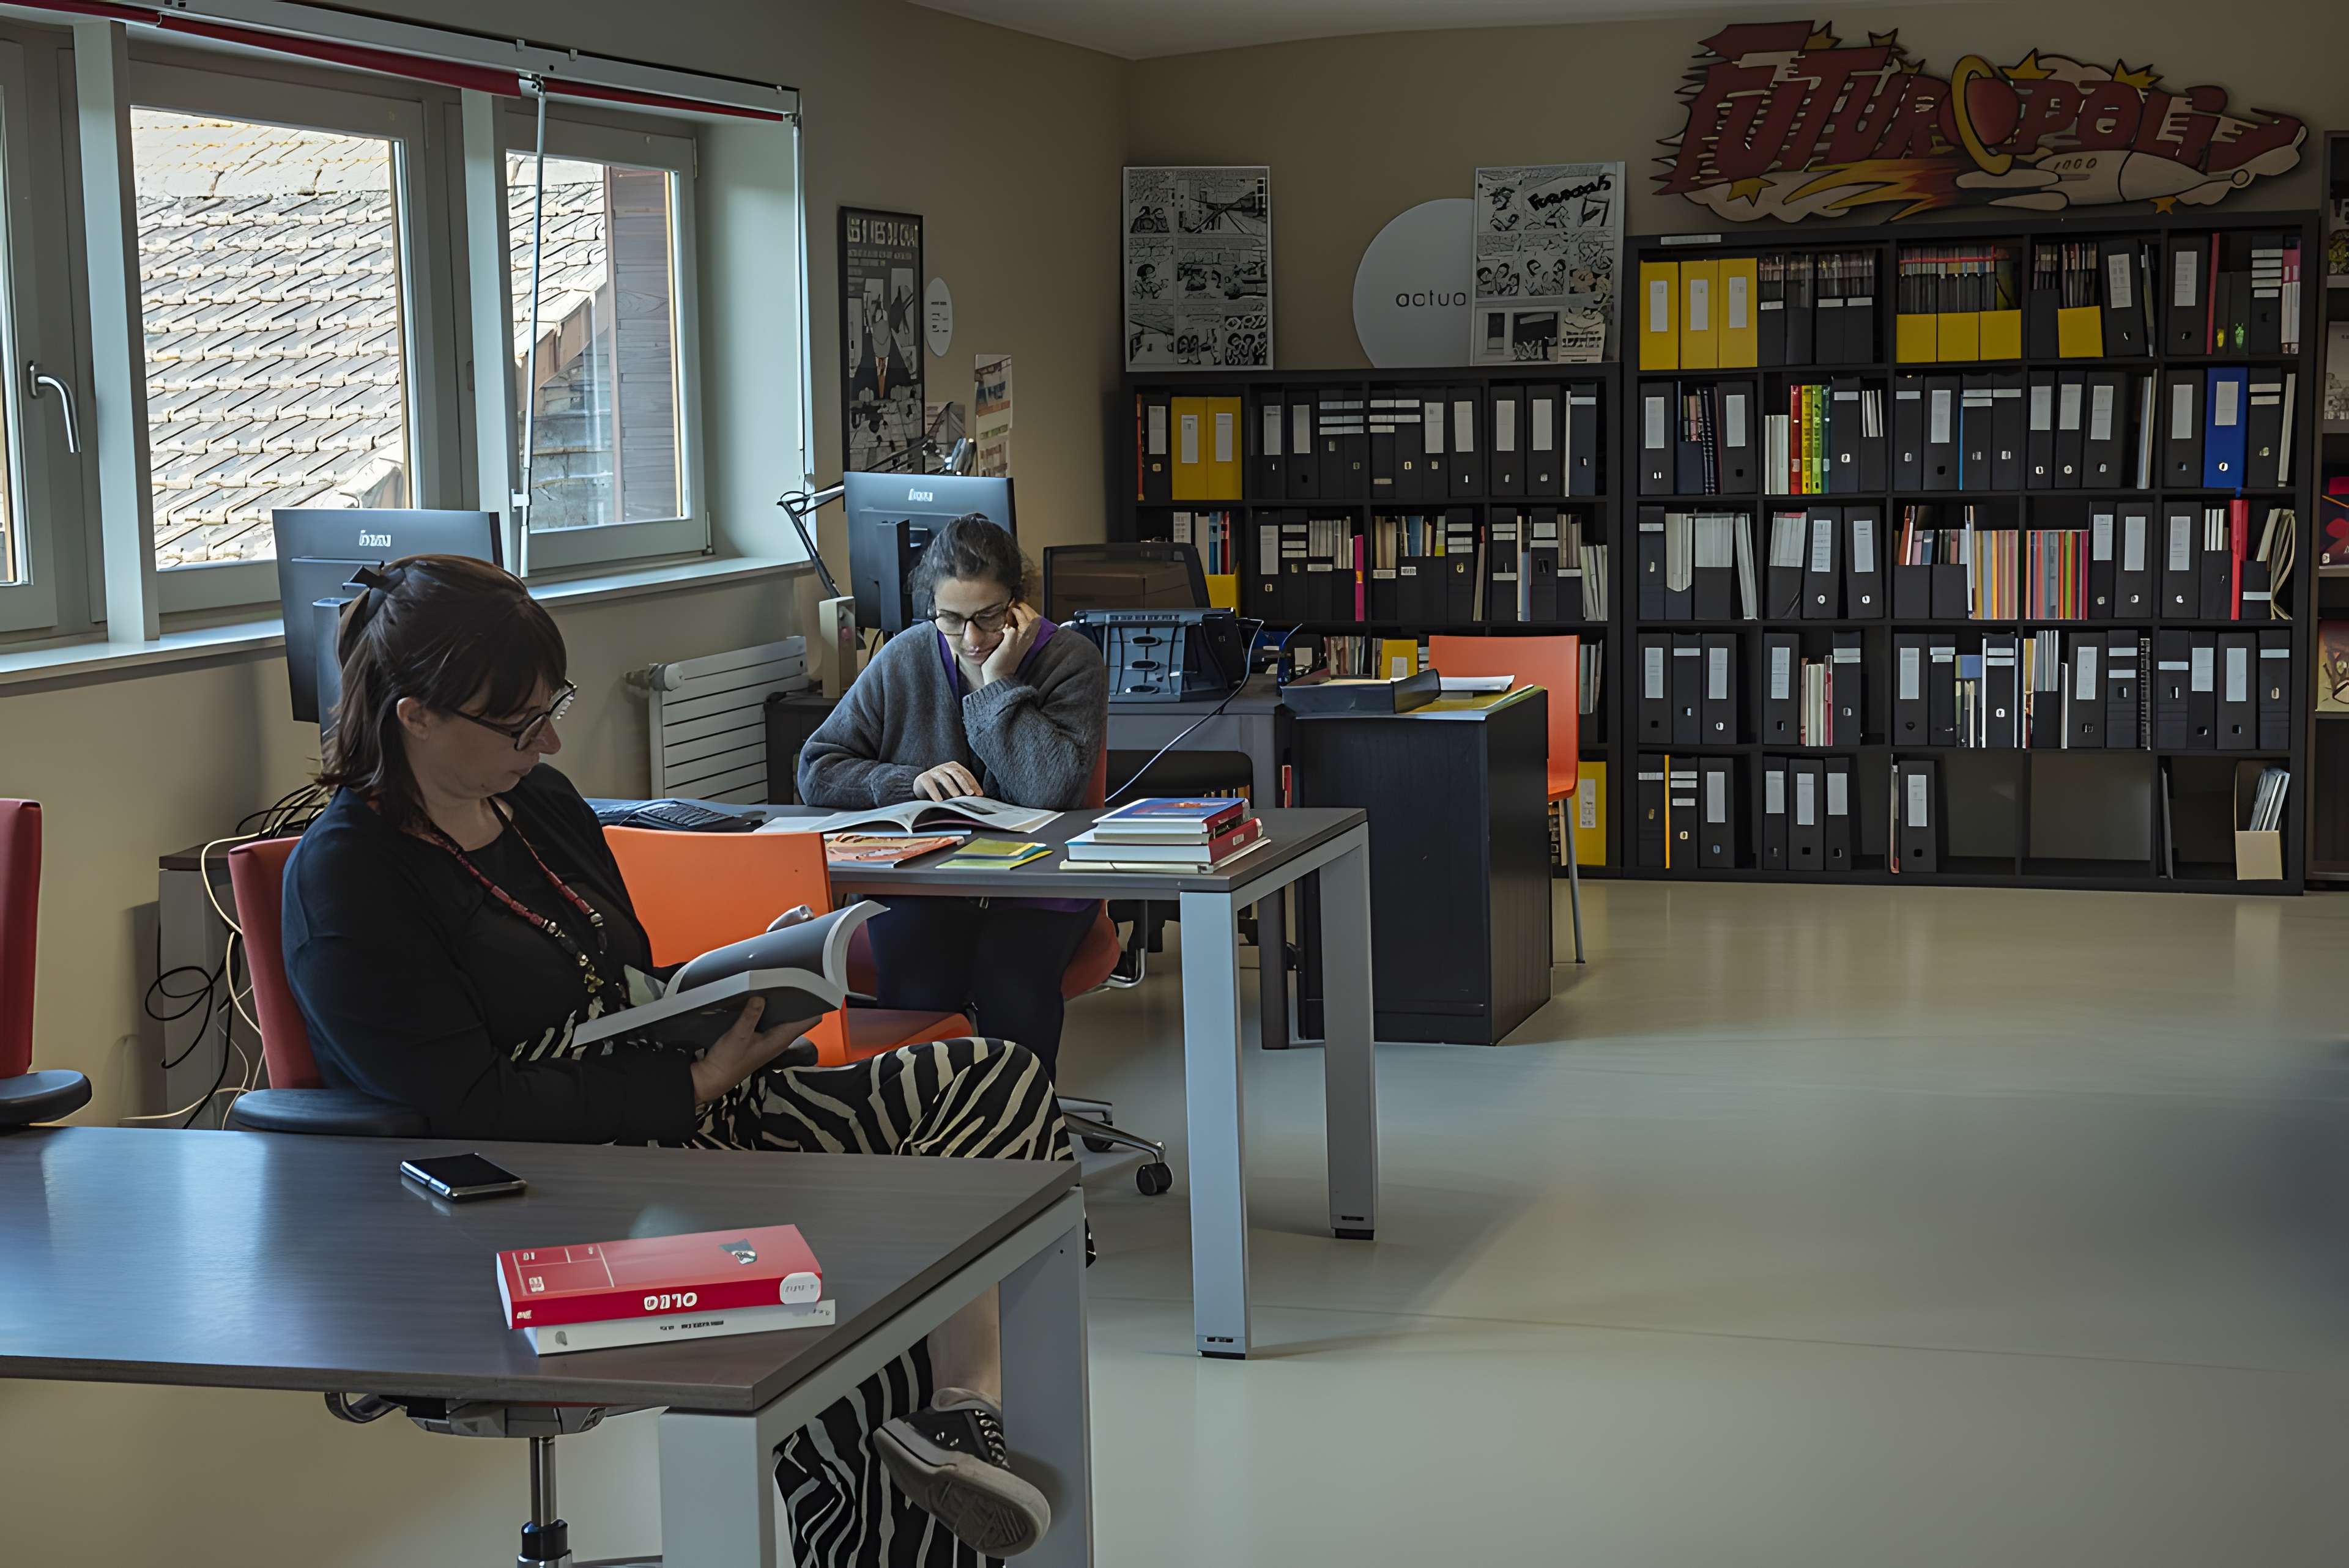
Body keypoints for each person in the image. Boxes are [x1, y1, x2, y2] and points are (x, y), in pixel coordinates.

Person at [280, 555, 1063, 1562]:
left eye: (548, 707)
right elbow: (462, 1099)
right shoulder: (349, 875)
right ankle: (893, 1502)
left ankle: (958, 1411)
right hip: (533, 1192)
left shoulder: (542, 802)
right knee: (854, 1284)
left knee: (993, 1081)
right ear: (414, 713)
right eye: (519, 722)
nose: (552, 739)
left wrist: (738, 982)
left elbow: (623, 975)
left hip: (671, 1118)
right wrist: (688, 1080)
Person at [798, 514, 1108, 1076]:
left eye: (989, 618)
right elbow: (818, 768)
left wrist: (998, 685)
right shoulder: (907, 656)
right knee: (917, 972)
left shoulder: (1072, 660)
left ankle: (1021, 1137)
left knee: (1009, 977)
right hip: (928, 882)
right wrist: (905, 783)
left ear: (1018, 603)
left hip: (1041, 888)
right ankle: (927, 1133)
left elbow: (1050, 789)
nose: (970, 639)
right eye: (951, 619)